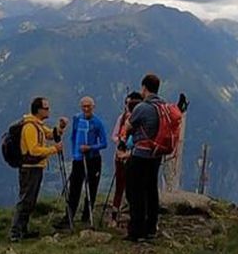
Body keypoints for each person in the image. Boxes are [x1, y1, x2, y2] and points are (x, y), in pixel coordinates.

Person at [10, 97, 67, 243]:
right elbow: (34, 150)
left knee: (30, 200)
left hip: (36, 167)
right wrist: (54, 149)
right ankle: (15, 232)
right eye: (46, 108)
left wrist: (60, 128)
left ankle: (23, 230)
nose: (48, 111)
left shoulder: (38, 125)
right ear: (39, 110)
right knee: (25, 200)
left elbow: (50, 134)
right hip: (30, 168)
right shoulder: (30, 127)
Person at [123, 73, 166, 242]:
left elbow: (128, 127)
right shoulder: (163, 106)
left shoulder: (142, 107)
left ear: (144, 88)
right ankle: (151, 228)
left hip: (140, 154)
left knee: (135, 191)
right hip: (156, 155)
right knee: (151, 190)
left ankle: (136, 230)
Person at [65, 96, 108, 227]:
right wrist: (74, 153)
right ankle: (69, 217)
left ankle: (86, 215)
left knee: (92, 187)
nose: (86, 109)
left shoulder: (98, 123)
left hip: (93, 159)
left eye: (89, 106)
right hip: (78, 159)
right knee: (74, 188)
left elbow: (104, 143)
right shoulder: (77, 119)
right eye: (84, 106)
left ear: (93, 107)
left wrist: (90, 148)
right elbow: (73, 136)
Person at [109, 92, 143, 224]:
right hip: (121, 156)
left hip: (132, 156)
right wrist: (120, 142)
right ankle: (115, 214)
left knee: (133, 187)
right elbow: (114, 135)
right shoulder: (122, 118)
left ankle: (133, 215)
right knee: (120, 185)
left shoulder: (137, 121)